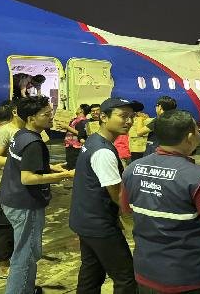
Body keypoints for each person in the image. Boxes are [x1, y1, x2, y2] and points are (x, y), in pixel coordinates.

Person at [122, 110, 200, 293]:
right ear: (190, 137)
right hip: (192, 278)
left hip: (147, 273)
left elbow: (127, 209)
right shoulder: (198, 177)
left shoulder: (132, 169)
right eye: (197, 130)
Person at [0, 96, 75, 294]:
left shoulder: (21, 135)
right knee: (26, 254)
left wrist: (50, 167)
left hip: (11, 198)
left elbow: (23, 162)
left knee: (25, 250)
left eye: (51, 113)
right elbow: (28, 178)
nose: (51, 117)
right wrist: (65, 175)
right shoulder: (33, 142)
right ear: (32, 118)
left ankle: (26, 288)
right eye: (46, 114)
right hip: (25, 204)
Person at [69, 97, 144, 294]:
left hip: (84, 220)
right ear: (103, 117)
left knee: (92, 273)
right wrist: (139, 219)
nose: (129, 121)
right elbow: (117, 195)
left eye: (132, 117)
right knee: (126, 277)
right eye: (123, 116)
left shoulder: (94, 139)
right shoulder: (103, 152)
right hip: (100, 225)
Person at [0, 102, 21, 278]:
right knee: (3, 226)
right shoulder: (2, 132)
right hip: (2, 187)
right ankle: (4, 265)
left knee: (17, 226)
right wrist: (25, 160)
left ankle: (16, 259)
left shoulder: (23, 131)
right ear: (15, 112)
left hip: (20, 186)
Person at [59, 104, 90, 169]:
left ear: (81, 110)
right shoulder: (75, 120)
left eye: (78, 108)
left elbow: (81, 134)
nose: (77, 109)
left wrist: (67, 127)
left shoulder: (83, 121)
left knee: (74, 164)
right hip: (70, 145)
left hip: (76, 146)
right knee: (70, 162)